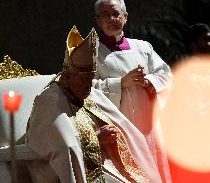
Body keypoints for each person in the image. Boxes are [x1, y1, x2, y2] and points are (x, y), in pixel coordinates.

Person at [25, 25, 163, 183]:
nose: (89, 86)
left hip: (105, 160)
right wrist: (95, 139)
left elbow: (120, 123)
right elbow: (64, 147)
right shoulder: (50, 100)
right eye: (84, 80)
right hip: (75, 170)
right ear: (68, 75)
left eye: (91, 79)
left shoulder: (87, 91)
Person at [92, 0, 173, 182]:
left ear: (125, 17)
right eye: (105, 15)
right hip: (119, 123)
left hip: (148, 122)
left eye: (115, 14)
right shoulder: (90, 52)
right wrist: (120, 83)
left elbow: (166, 76)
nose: (112, 19)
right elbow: (86, 88)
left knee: (156, 168)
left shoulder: (143, 47)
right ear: (98, 20)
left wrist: (149, 81)